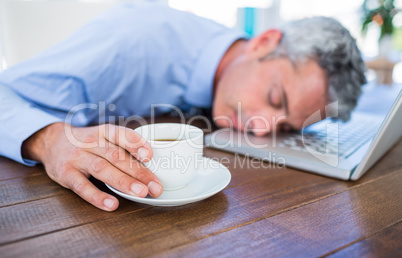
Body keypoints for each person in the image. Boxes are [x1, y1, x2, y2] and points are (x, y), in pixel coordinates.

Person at [0, 3, 366, 211]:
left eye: (285, 128)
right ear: (264, 42)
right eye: (275, 99)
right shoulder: (133, 39)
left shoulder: (229, 78)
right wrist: (49, 140)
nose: (259, 129)